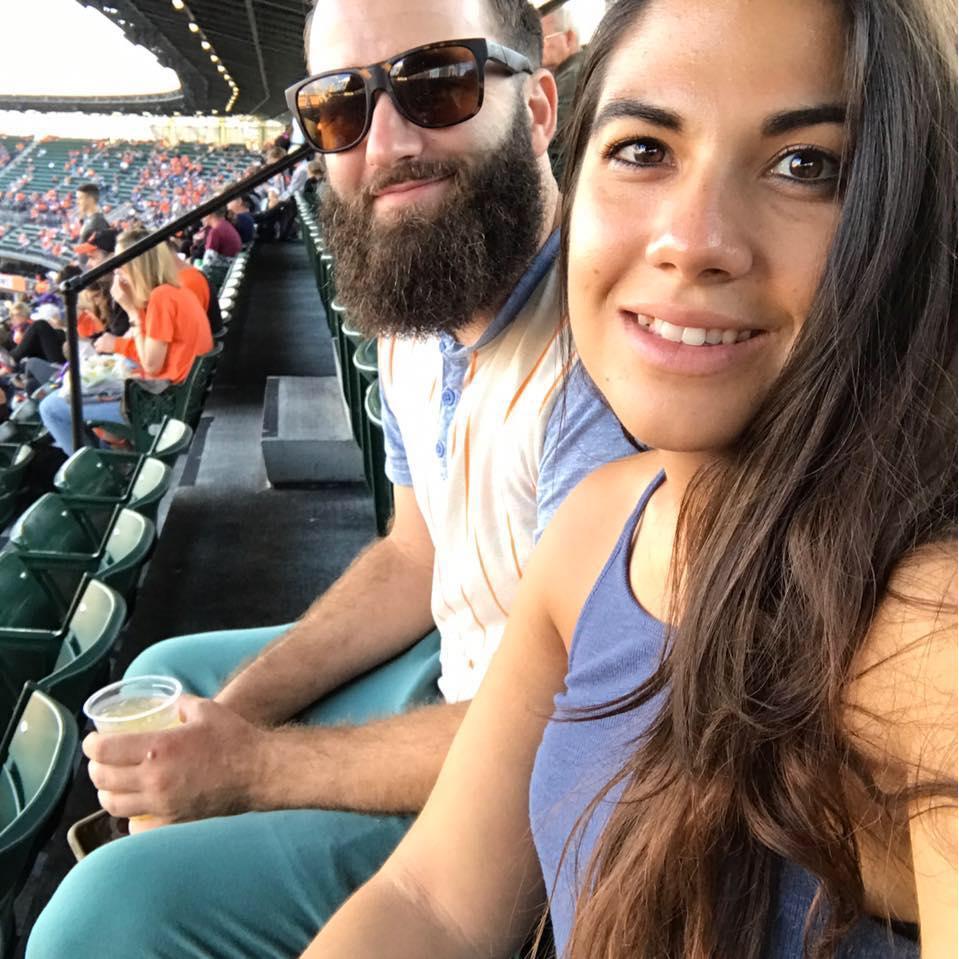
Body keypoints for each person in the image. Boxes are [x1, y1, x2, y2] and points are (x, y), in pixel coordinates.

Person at [301, 0, 957, 956]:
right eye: (644, 150)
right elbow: (434, 901)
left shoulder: (925, 631)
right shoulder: (602, 523)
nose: (692, 239)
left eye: (806, 165)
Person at [26, 0, 633, 956]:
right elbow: (411, 553)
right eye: (338, 109)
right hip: (455, 668)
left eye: (438, 82)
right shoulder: (419, 314)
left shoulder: (606, 362)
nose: (387, 141)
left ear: (539, 107)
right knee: (165, 678)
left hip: (540, 795)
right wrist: (229, 722)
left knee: (96, 919)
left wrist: (256, 766)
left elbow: (596, 733)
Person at [37, 229, 213, 456]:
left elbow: (152, 365)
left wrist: (131, 310)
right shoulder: (172, 291)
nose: (117, 270)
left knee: (50, 407)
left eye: (122, 263)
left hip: (161, 403)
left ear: (138, 265)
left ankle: (100, 472)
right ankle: (108, 458)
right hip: (172, 394)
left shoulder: (163, 297)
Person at [540, 5, 582, 177]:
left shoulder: (571, 78)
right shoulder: (580, 68)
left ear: (569, 38)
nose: (539, 48)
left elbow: (558, 148)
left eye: (544, 39)